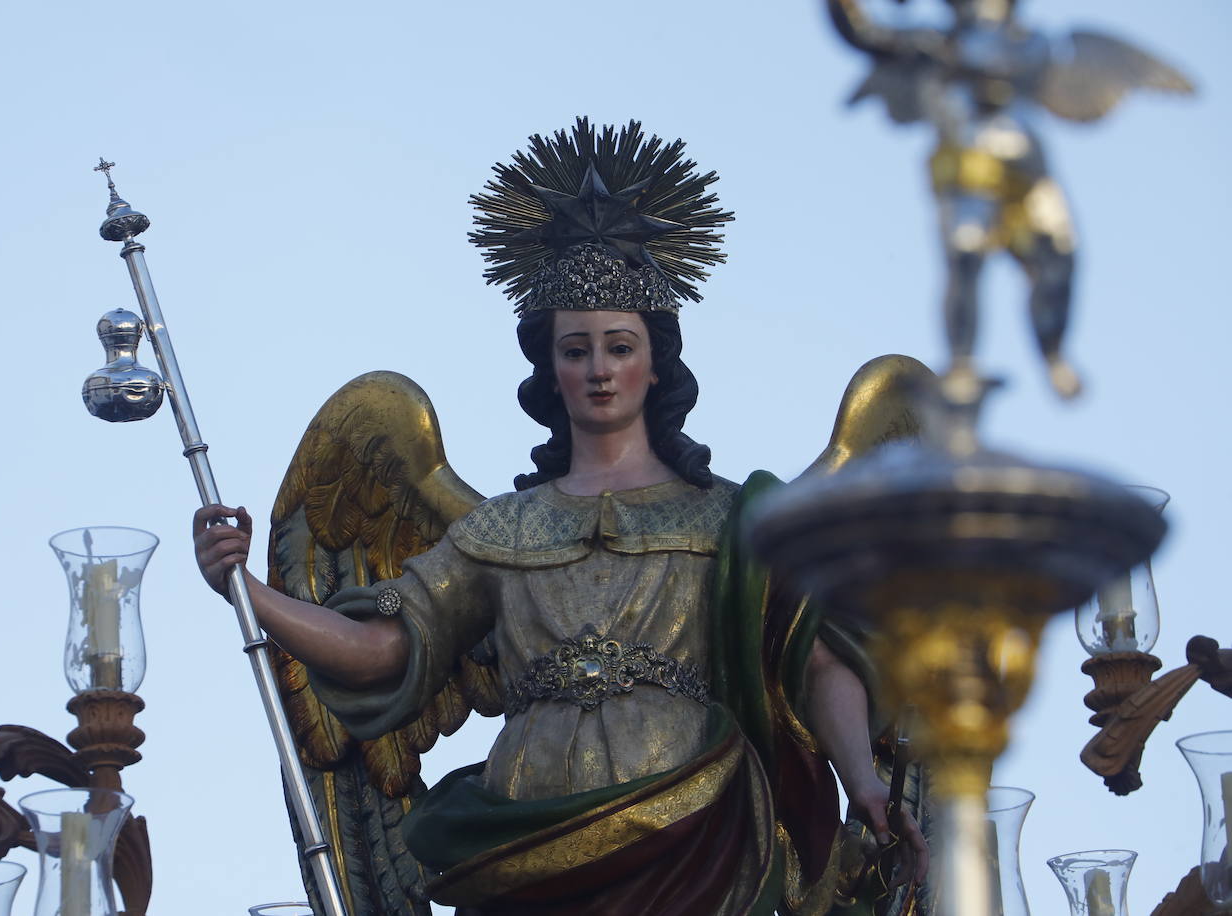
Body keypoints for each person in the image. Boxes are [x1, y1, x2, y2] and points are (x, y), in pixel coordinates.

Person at [194, 119, 927, 915]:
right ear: (551, 369)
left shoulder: (730, 521)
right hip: (526, 835)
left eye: (619, 346)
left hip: (696, 831)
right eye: (576, 350)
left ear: (656, 364)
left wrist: (867, 784)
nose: (599, 370)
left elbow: (816, 664)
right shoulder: (496, 533)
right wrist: (249, 591)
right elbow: (383, 649)